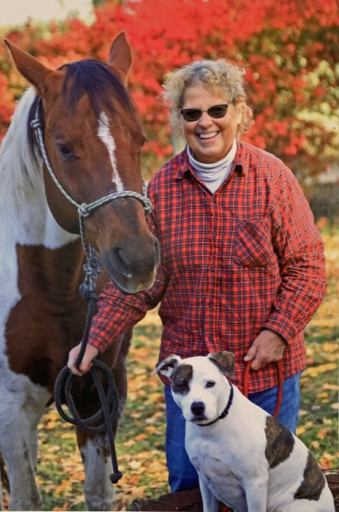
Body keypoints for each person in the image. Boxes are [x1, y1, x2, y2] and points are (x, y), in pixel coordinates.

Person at [68, 58, 327, 492]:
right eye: (192, 114)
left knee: (268, 489)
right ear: (180, 119)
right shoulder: (160, 190)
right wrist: (93, 341)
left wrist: (278, 332)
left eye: (216, 110)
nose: (205, 122)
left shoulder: (273, 180)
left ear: (239, 112)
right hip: (189, 386)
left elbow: (308, 268)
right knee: (190, 489)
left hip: (261, 378)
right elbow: (139, 284)